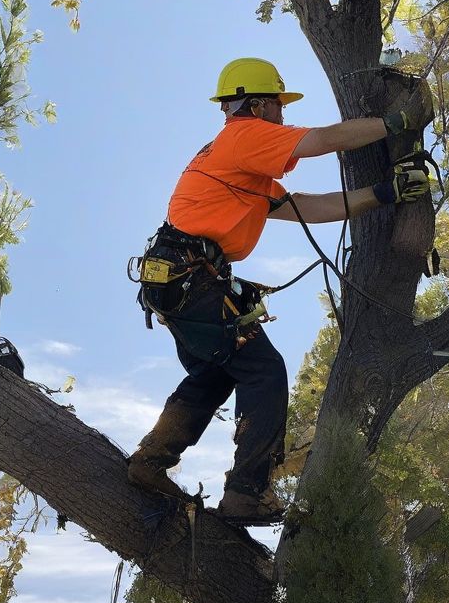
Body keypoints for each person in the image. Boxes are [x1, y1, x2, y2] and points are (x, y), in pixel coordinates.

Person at [127, 57, 432, 525]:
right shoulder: (243, 135)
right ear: (257, 104)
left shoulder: (238, 163)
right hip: (189, 274)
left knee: (216, 374)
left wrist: (384, 194)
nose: (283, 116)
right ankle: (247, 493)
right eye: (278, 105)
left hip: (178, 279)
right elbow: (324, 140)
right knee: (264, 370)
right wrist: (396, 122)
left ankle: (151, 461)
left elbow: (306, 207)